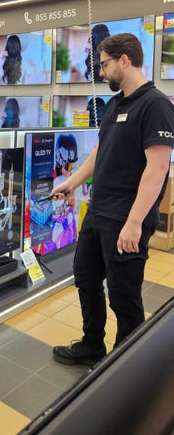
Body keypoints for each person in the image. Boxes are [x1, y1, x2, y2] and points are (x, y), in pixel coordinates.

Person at [51, 33, 174, 367]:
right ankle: (92, 344)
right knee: (86, 277)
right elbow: (100, 151)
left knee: (123, 296)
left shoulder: (157, 105)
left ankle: (124, 368)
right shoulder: (116, 104)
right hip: (99, 212)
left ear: (124, 60)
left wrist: (134, 223)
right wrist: (72, 182)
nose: (101, 72)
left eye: (104, 64)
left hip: (126, 219)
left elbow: (158, 167)